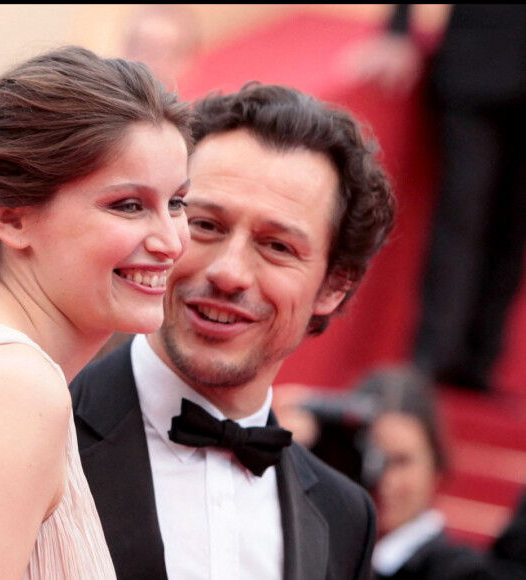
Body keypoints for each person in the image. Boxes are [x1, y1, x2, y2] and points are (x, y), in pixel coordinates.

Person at [70, 81, 396, 580]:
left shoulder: (345, 517)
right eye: (205, 224)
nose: (229, 273)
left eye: (277, 246)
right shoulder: (43, 433)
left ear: (333, 285)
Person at [0, 45, 192, 579]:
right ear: (13, 219)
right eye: (128, 204)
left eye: (177, 202)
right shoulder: (9, 386)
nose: (171, 241)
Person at [341, 5, 526, 392]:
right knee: (462, 215)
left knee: (515, 228)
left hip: (482, 62)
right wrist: (397, 30)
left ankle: (481, 361)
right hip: (477, 63)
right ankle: (433, 357)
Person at [276, 366, 526, 580]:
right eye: (371, 459)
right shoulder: (305, 549)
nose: (385, 480)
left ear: (436, 468)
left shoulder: (461, 572)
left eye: (402, 462)